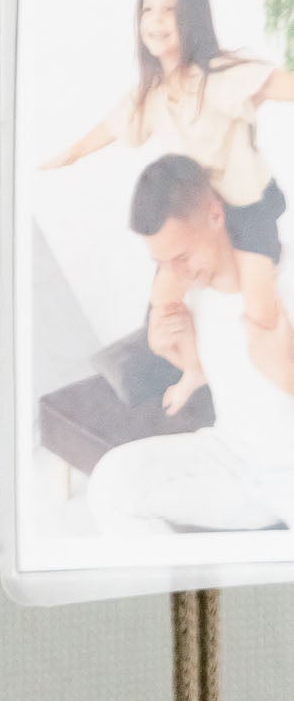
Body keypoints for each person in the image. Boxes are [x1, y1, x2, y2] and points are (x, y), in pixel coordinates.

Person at [42, 0, 294, 313]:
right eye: (148, 9)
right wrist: (69, 154)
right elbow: (112, 126)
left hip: (245, 206)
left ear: (193, 16)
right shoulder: (152, 94)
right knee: (161, 306)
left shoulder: (221, 76)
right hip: (197, 212)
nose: (155, 20)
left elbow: (279, 84)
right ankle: (189, 368)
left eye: (169, 9)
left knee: (261, 312)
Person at [91, 158, 294, 540]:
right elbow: (220, 374)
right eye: (163, 263)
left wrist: (287, 371)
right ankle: (176, 593)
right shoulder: (193, 291)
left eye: (181, 257)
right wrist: (179, 357)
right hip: (233, 458)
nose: (177, 273)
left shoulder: (284, 282)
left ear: (215, 214)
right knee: (112, 482)